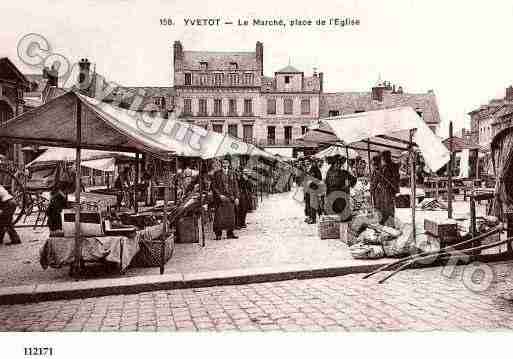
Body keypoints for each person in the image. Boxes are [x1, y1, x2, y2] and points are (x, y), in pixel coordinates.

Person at [211, 157, 239, 240]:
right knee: (219, 217)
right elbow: (213, 186)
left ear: (229, 164)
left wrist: (237, 197)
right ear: (221, 164)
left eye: (226, 163)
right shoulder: (217, 173)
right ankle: (218, 234)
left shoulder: (232, 173)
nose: (225, 165)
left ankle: (230, 233)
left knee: (231, 216)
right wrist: (219, 195)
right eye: (223, 163)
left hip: (230, 197)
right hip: (220, 199)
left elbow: (235, 186)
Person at [324, 155, 357, 221]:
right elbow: (329, 185)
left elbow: (354, 179)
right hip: (333, 197)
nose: (339, 165)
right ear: (333, 164)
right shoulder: (329, 173)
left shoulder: (344, 173)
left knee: (344, 218)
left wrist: (349, 183)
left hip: (342, 199)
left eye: (340, 164)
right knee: (334, 218)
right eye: (337, 164)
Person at [379, 150, 400, 225]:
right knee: (384, 205)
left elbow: (396, 178)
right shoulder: (384, 166)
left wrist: (391, 185)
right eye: (383, 158)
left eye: (384, 157)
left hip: (390, 189)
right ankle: (385, 220)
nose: (383, 159)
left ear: (388, 157)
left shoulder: (394, 166)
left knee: (390, 206)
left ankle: (391, 223)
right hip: (384, 189)